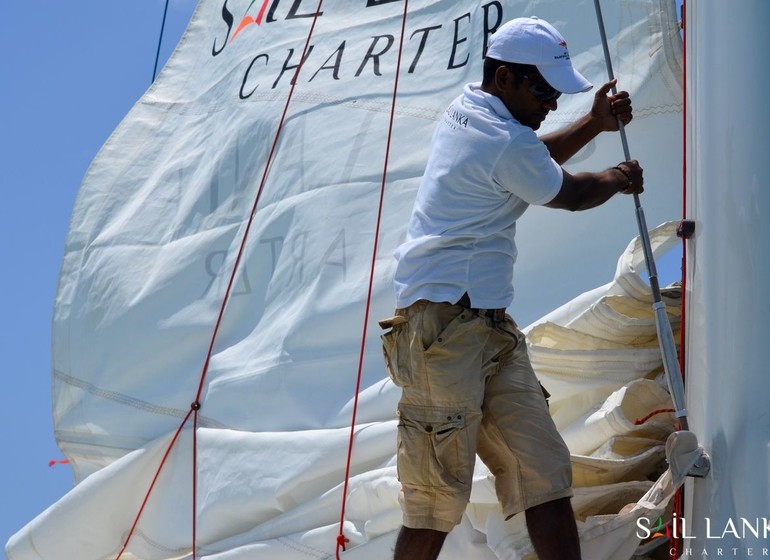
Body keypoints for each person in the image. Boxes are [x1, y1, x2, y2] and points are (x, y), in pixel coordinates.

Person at [379, 16, 644, 560]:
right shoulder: (500, 138)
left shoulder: (473, 110)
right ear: (503, 79)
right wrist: (620, 178)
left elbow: (528, 158)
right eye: (543, 89)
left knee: (543, 473)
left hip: (486, 327)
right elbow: (567, 192)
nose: (550, 103)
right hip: (441, 334)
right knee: (436, 503)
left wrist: (592, 124)